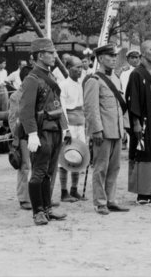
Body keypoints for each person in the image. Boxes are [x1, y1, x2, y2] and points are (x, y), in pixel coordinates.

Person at [20, 38, 71, 225]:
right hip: (42, 132)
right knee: (39, 173)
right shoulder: (32, 79)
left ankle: (48, 208)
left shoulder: (51, 77)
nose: (54, 56)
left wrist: (64, 127)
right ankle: (38, 212)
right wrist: (32, 134)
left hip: (55, 129)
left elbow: (58, 104)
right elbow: (25, 110)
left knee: (49, 172)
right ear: (40, 56)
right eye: (51, 52)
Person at [83, 44, 129, 215]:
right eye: (110, 56)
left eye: (115, 56)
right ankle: (100, 202)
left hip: (116, 130)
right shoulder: (94, 81)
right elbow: (91, 108)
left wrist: (124, 128)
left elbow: (119, 107)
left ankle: (111, 199)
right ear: (101, 59)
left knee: (114, 168)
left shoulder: (116, 79)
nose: (114, 59)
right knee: (101, 168)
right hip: (102, 131)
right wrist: (96, 130)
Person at [126, 40, 151, 205]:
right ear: (143, 53)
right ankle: (142, 193)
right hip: (143, 120)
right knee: (143, 153)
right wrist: (135, 123)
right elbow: (132, 100)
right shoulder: (137, 74)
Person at [58, 56, 86, 203]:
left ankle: (74, 189)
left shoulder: (82, 83)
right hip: (69, 126)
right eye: (76, 67)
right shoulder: (63, 85)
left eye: (81, 67)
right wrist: (66, 130)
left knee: (79, 157)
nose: (80, 70)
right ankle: (64, 191)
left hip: (81, 125)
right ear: (68, 68)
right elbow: (61, 109)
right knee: (65, 158)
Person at [7, 63, 34, 211]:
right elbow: (12, 118)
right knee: (25, 166)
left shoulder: (37, 93)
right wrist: (16, 138)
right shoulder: (15, 96)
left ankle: (36, 195)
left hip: (36, 134)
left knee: (37, 166)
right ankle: (23, 197)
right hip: (23, 135)